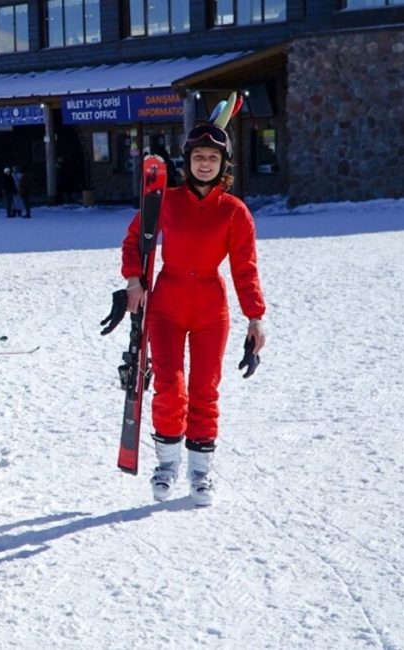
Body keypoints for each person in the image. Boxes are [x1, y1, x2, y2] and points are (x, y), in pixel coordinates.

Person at [120, 123, 266, 507]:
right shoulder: (165, 201)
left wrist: (255, 317)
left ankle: (200, 471)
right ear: (187, 162)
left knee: (205, 388)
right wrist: (134, 280)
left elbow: (245, 269)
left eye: (212, 158)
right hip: (166, 303)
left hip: (209, 307)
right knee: (170, 384)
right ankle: (167, 464)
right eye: (198, 157)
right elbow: (134, 240)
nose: (205, 164)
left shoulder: (234, 212)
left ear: (224, 164)